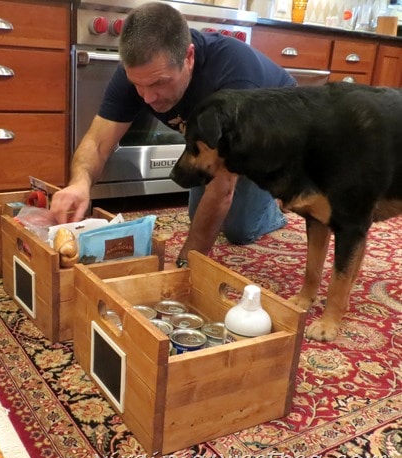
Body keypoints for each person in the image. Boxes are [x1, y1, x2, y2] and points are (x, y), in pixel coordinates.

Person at [50, 1, 296, 267]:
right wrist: (80, 183)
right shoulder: (138, 73)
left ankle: (277, 201)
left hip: (275, 134)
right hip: (213, 133)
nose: (147, 97)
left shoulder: (235, 78)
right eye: (138, 86)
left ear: (189, 57)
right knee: (198, 214)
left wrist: (182, 267)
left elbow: (222, 190)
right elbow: (98, 143)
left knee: (238, 228)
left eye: (159, 83)